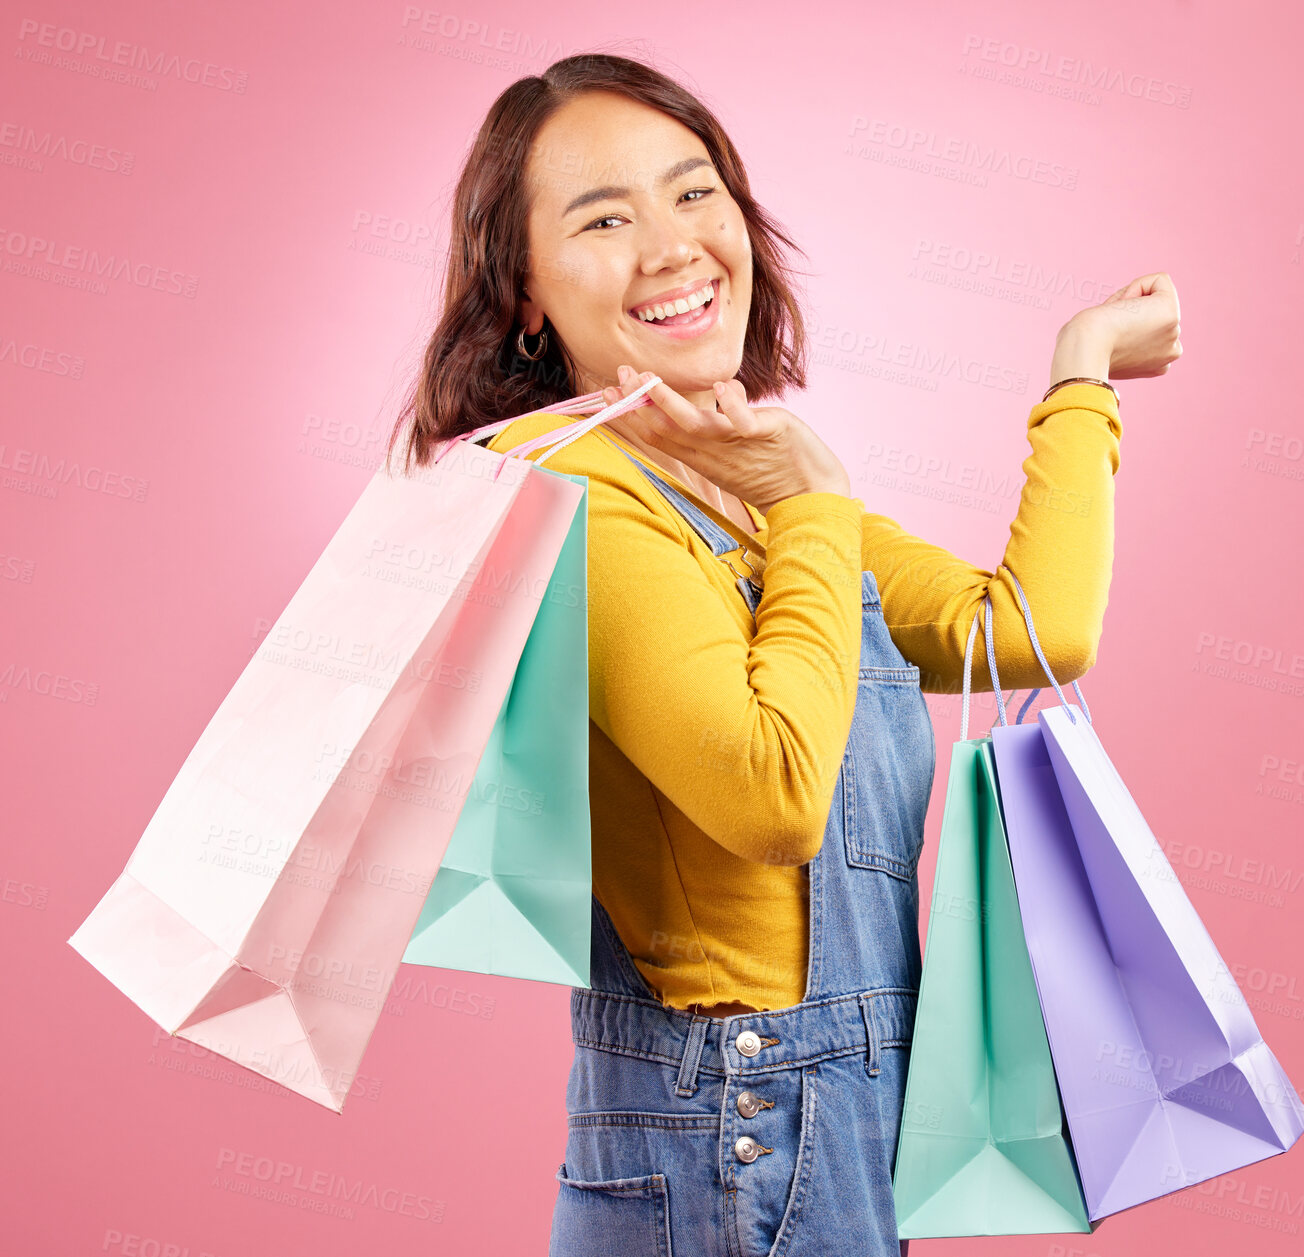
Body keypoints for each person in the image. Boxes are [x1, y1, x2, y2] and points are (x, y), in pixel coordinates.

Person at [390, 51, 1181, 1257]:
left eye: (692, 191)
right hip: (733, 1118)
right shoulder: (573, 491)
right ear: (525, 294)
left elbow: (1024, 631)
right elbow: (768, 800)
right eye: (603, 218)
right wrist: (814, 501)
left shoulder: (741, 486)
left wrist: (1078, 376)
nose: (669, 246)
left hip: (842, 1118)